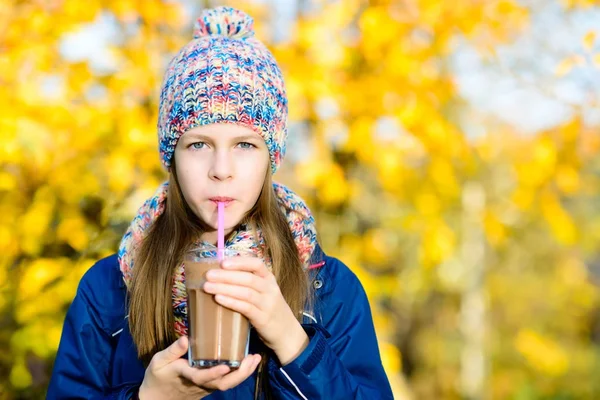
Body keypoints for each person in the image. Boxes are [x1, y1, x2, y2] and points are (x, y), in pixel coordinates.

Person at [47, 6, 393, 400]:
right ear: (171, 157)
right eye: (198, 144)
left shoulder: (330, 290)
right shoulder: (108, 291)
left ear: (271, 157)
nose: (221, 169)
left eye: (245, 144)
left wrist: (293, 342)